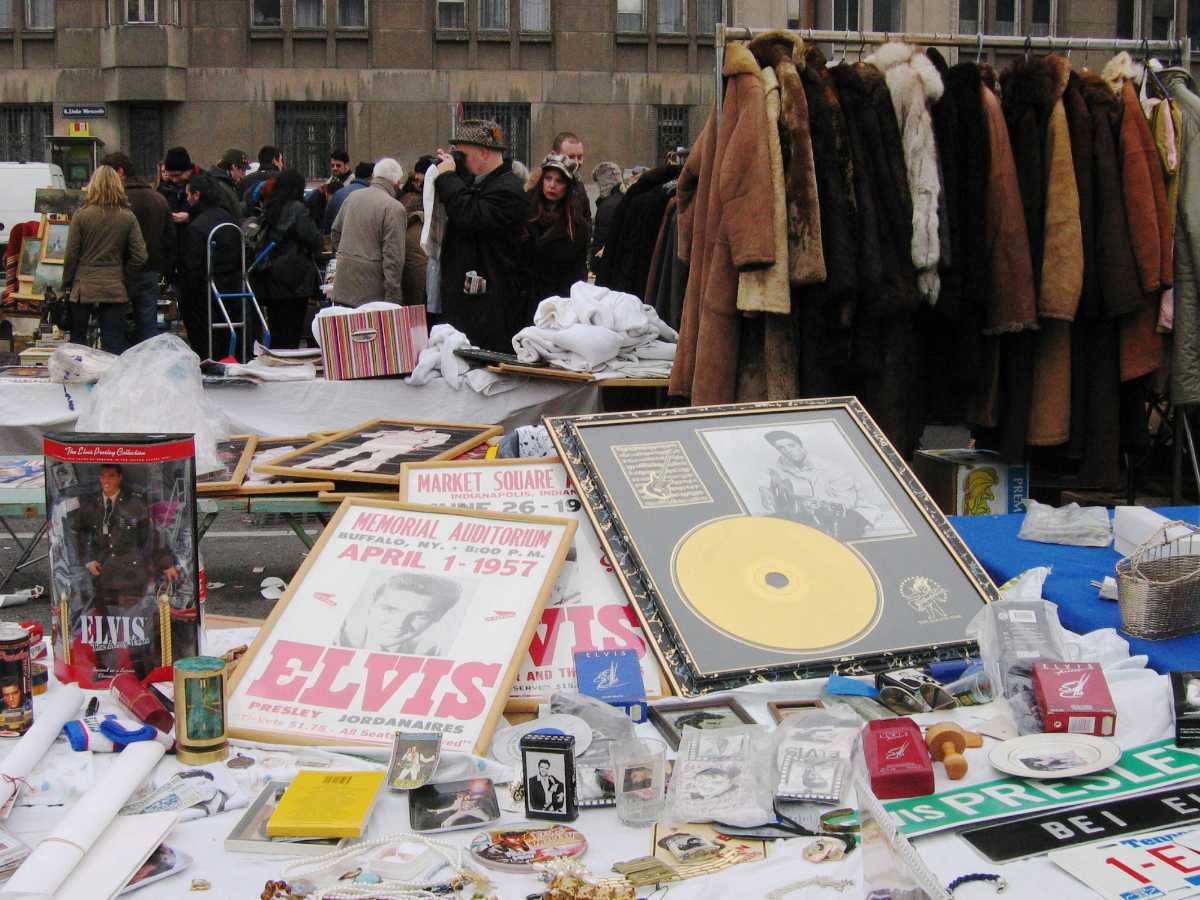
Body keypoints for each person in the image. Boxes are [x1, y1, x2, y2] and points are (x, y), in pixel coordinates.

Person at [433, 119, 528, 350]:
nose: (460, 162)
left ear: (484, 153)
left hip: (491, 310)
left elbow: (471, 214)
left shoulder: (508, 189)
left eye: (462, 155)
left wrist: (447, 178)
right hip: (471, 303)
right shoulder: (482, 184)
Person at [72, 464, 177, 671]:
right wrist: (87, 559)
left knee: (135, 621)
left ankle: (139, 666)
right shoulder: (91, 504)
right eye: (102, 477)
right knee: (104, 622)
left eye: (110, 476)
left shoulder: (134, 504)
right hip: (102, 573)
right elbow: (78, 532)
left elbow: (151, 537)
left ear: (119, 478)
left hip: (131, 572)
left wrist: (166, 564)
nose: (106, 481)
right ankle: (105, 666)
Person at [61, 165, 148, 354]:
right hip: (114, 287)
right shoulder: (127, 217)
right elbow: (140, 256)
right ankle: (112, 381)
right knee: (113, 344)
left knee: (78, 344)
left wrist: (67, 282)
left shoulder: (81, 215)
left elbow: (72, 254)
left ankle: (79, 380)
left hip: (83, 287)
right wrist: (124, 275)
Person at [99, 151, 174, 345]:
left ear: (120, 172)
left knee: (115, 331)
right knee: (149, 329)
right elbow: (170, 240)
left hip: (119, 273)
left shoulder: (116, 202)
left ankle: (119, 370)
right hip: (150, 272)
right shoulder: (158, 199)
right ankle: (147, 370)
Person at [248, 169, 321, 349]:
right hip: (294, 279)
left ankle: (276, 365)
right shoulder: (297, 209)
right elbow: (313, 238)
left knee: (277, 328)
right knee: (291, 331)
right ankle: (288, 368)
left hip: (270, 275)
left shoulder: (270, 206)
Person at [757, 430, 873, 540]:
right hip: (808, 512)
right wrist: (764, 490)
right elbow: (768, 473)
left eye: (791, 445)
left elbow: (848, 502)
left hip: (846, 512)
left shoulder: (830, 468)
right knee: (765, 526)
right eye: (781, 448)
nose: (787, 450)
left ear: (801, 446)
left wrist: (820, 503)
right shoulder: (783, 463)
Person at [178, 173, 243, 358]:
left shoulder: (197, 227)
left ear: (197, 195)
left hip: (204, 296)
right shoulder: (229, 218)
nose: (187, 199)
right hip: (233, 291)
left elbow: (192, 269)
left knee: (206, 347)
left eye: (188, 194)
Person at [330, 157, 408, 307]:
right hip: (373, 296)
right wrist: (393, 300)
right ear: (397, 183)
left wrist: (347, 257)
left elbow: (335, 233)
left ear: (374, 176)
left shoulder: (352, 197)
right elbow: (393, 258)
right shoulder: (394, 208)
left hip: (343, 286)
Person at [524, 153, 589, 313]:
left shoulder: (575, 225)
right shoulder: (524, 211)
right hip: (523, 300)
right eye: (548, 178)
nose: (552, 185)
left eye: (559, 181)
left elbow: (577, 272)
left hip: (557, 304)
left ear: (568, 186)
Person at [335, 572, 461, 655]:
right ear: (372, 603)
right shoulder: (337, 635)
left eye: (420, 615)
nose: (399, 625)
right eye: (389, 609)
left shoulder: (431, 652)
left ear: (439, 616)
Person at [589, 161, 624, 270]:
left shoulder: (608, 206)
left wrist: (594, 263)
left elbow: (602, 237)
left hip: (606, 265)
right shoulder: (623, 200)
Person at [323, 161, 372, 233]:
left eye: (338, 165)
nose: (335, 168)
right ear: (371, 177)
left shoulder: (338, 193)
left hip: (342, 239)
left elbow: (328, 222)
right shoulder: (372, 194)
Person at [207, 148, 249, 217]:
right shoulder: (220, 185)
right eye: (243, 169)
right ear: (234, 167)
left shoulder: (223, 182)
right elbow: (233, 213)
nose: (244, 174)